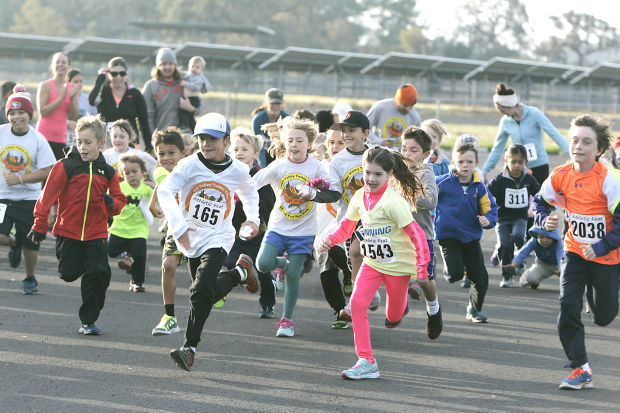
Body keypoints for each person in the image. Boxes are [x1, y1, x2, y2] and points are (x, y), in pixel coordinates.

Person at [157, 113, 260, 371]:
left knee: (199, 291)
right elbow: (165, 191)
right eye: (201, 138)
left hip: (219, 238)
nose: (205, 144)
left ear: (226, 140)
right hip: (190, 238)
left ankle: (189, 348)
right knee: (204, 294)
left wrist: (253, 220)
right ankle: (240, 272)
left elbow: (249, 193)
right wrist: (179, 227)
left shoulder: (238, 169)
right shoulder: (189, 165)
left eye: (212, 139)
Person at [317, 147, 429, 380]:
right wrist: (330, 240)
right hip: (373, 262)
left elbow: (417, 235)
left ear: (389, 175)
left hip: (397, 265)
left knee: (394, 317)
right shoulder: (359, 196)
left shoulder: (393, 202)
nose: (371, 179)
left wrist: (421, 269)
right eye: (367, 173)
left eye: (378, 174)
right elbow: (347, 227)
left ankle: (400, 306)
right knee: (357, 304)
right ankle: (366, 361)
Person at [534, 113, 620, 390]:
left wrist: (601, 246)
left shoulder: (609, 179)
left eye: (586, 142)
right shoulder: (561, 175)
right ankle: (580, 368)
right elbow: (540, 204)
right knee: (567, 305)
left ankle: (602, 295)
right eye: (574, 140)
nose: (578, 147)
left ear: (599, 150)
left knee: (603, 316)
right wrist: (542, 219)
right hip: (574, 252)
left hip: (607, 256)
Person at [29, 115, 127, 335]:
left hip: (96, 233)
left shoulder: (108, 172)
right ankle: (90, 267)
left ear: (102, 144)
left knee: (98, 275)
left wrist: (113, 204)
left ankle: (88, 321)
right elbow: (47, 197)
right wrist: (39, 224)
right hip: (68, 231)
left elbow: (120, 200)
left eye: (88, 142)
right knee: (68, 273)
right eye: (79, 141)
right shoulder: (65, 166)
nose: (82, 147)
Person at [253, 116, 328, 337]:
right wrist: (236, 194)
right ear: (285, 143)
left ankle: (287, 320)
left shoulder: (316, 166)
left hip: (304, 232)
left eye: (299, 141)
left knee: (293, 274)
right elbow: (254, 182)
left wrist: (317, 191)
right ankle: (282, 263)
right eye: (290, 141)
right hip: (278, 227)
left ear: (309, 144)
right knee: (263, 264)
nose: (294, 145)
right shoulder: (279, 165)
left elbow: (331, 188)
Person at [0, 85, 56, 293]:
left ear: (29, 114)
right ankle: (13, 243)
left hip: (29, 198)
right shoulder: (1, 133)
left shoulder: (37, 138)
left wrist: (22, 179)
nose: (17, 117)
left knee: (31, 244)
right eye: (12, 113)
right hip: (3, 197)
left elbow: (49, 170)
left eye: (21, 112)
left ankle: (30, 277)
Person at [435, 143, 498, 323]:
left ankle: (474, 310)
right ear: (453, 162)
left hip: (470, 238)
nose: (465, 165)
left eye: (469, 162)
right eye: (461, 161)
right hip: (448, 237)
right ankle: (452, 267)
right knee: (454, 275)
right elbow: (426, 195)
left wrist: (488, 220)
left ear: (476, 163)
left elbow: (490, 208)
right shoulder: (443, 182)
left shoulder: (480, 187)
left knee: (480, 277)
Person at [226, 128, 276, 317]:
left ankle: (267, 304)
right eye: (236, 149)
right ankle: (246, 277)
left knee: (263, 270)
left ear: (255, 154)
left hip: (257, 233)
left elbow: (267, 203)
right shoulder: (228, 175)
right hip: (233, 233)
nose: (239, 153)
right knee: (230, 262)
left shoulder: (259, 176)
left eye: (245, 150)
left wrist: (247, 207)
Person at [400, 126, 442, 339]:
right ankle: (399, 303)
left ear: (426, 154)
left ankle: (433, 310)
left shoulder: (426, 174)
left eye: (413, 150)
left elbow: (431, 201)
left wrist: (407, 191)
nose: (407, 154)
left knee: (424, 280)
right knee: (397, 275)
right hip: (398, 237)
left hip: (421, 237)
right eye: (404, 148)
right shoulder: (393, 172)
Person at [483, 83, 569, 184]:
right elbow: (497, 148)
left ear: (509, 106)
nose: (501, 113)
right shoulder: (505, 121)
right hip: (519, 169)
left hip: (539, 166)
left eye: (502, 110)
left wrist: (571, 154)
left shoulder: (534, 113)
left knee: (539, 198)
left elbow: (554, 134)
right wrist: (484, 171)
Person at [148, 127, 186, 336]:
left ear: (182, 154)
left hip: (198, 229)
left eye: (172, 153)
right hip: (175, 228)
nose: (167, 157)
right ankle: (169, 317)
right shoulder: (160, 172)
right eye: (161, 153)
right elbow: (161, 184)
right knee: (167, 265)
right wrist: (152, 204)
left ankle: (220, 285)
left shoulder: (190, 170)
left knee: (199, 278)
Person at [315, 128, 354, 328]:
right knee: (325, 268)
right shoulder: (320, 167)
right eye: (331, 142)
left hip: (345, 225)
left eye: (340, 142)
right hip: (323, 224)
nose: (335, 147)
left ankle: (349, 273)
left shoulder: (354, 166)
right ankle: (340, 310)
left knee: (338, 252)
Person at [487, 144, 540, 287]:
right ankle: (507, 277)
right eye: (513, 162)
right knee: (505, 245)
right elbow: (487, 194)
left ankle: (520, 259)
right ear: (506, 160)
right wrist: (488, 207)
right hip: (502, 219)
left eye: (520, 162)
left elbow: (539, 194)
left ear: (526, 163)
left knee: (518, 236)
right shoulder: (500, 179)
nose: (517, 165)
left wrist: (541, 207)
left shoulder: (528, 179)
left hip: (520, 218)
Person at [107, 154, 153, 292]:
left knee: (139, 256)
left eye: (135, 172)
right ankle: (128, 255)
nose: (131, 175)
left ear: (143, 173)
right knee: (111, 251)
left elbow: (157, 202)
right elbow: (109, 203)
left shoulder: (147, 190)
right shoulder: (119, 188)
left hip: (139, 229)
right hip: (119, 228)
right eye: (127, 173)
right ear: (122, 174)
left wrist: (155, 188)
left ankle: (137, 282)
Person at [89, 57, 152, 152]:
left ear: (126, 74)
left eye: (122, 74)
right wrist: (101, 78)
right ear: (109, 75)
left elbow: (144, 122)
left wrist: (149, 147)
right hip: (107, 141)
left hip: (129, 142)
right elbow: (92, 101)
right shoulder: (103, 91)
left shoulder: (135, 93)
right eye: (114, 74)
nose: (118, 77)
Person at [143, 48, 197, 134]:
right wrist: (152, 138)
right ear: (158, 66)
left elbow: (200, 109)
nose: (167, 67)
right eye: (163, 64)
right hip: (163, 137)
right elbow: (148, 116)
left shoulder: (186, 81)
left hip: (185, 137)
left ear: (175, 65)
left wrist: (190, 108)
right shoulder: (150, 86)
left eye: (170, 63)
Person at [36, 52, 79, 160]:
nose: (60, 65)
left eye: (64, 62)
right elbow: (43, 112)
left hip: (60, 138)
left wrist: (72, 97)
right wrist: (61, 98)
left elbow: (73, 116)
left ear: (69, 67)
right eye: (57, 62)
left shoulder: (71, 87)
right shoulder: (45, 85)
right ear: (52, 66)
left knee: (57, 173)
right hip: (43, 136)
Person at [502, 225, 563, 289]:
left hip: (559, 266)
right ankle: (530, 280)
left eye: (549, 237)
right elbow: (524, 251)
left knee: (570, 278)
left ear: (554, 237)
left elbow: (560, 256)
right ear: (537, 235)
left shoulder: (558, 242)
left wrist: (561, 269)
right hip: (543, 264)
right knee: (530, 279)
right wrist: (514, 264)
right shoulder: (534, 241)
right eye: (542, 237)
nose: (545, 240)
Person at [103, 119, 157, 186]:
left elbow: (154, 168)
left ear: (129, 138)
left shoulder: (138, 155)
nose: (117, 140)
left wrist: (154, 185)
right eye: (115, 136)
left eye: (122, 137)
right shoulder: (106, 155)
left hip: (134, 192)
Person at [366, 84, 421, 149]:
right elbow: (364, 128)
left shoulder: (415, 117)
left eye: (411, 105)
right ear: (396, 100)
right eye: (405, 105)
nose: (408, 109)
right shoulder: (380, 107)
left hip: (401, 157)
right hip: (377, 153)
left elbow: (417, 141)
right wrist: (379, 141)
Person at [251, 88, 289, 167]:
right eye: (272, 103)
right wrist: (263, 168)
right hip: (263, 155)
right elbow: (259, 147)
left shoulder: (286, 118)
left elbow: (287, 146)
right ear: (266, 103)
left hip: (280, 156)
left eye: (278, 103)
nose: (275, 106)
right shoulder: (258, 119)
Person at [178, 56, 212, 131]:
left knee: (183, 113)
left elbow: (196, 87)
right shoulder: (188, 74)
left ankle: (184, 127)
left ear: (202, 70)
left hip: (193, 100)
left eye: (197, 67)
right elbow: (181, 73)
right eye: (192, 66)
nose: (194, 69)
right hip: (187, 99)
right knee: (189, 116)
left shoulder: (199, 78)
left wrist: (186, 83)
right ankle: (193, 128)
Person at [66, 69, 97, 148]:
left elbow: (95, 118)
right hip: (65, 137)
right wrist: (68, 123)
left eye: (81, 81)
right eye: (75, 82)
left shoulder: (88, 99)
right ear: (68, 82)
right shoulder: (63, 97)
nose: (79, 85)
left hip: (83, 140)